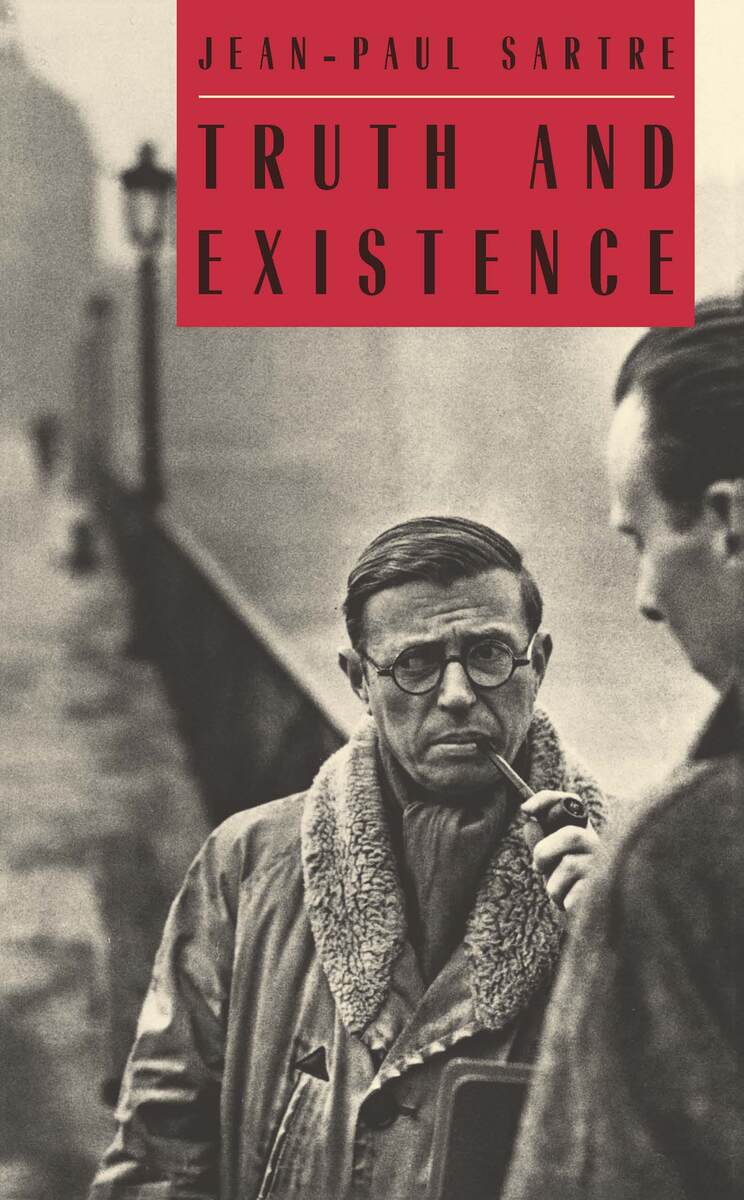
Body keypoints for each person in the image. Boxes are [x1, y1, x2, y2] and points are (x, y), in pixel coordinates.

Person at [88, 515, 607, 1200]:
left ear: (536, 664)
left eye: (488, 653)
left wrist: (627, 947)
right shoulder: (246, 865)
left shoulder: (630, 881)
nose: (457, 695)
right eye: (414, 663)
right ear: (358, 679)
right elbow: (159, 1159)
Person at [503, 297, 744, 1200]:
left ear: (728, 522)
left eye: (641, 538)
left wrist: (634, 911)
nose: (645, 597)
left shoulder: (681, 855)